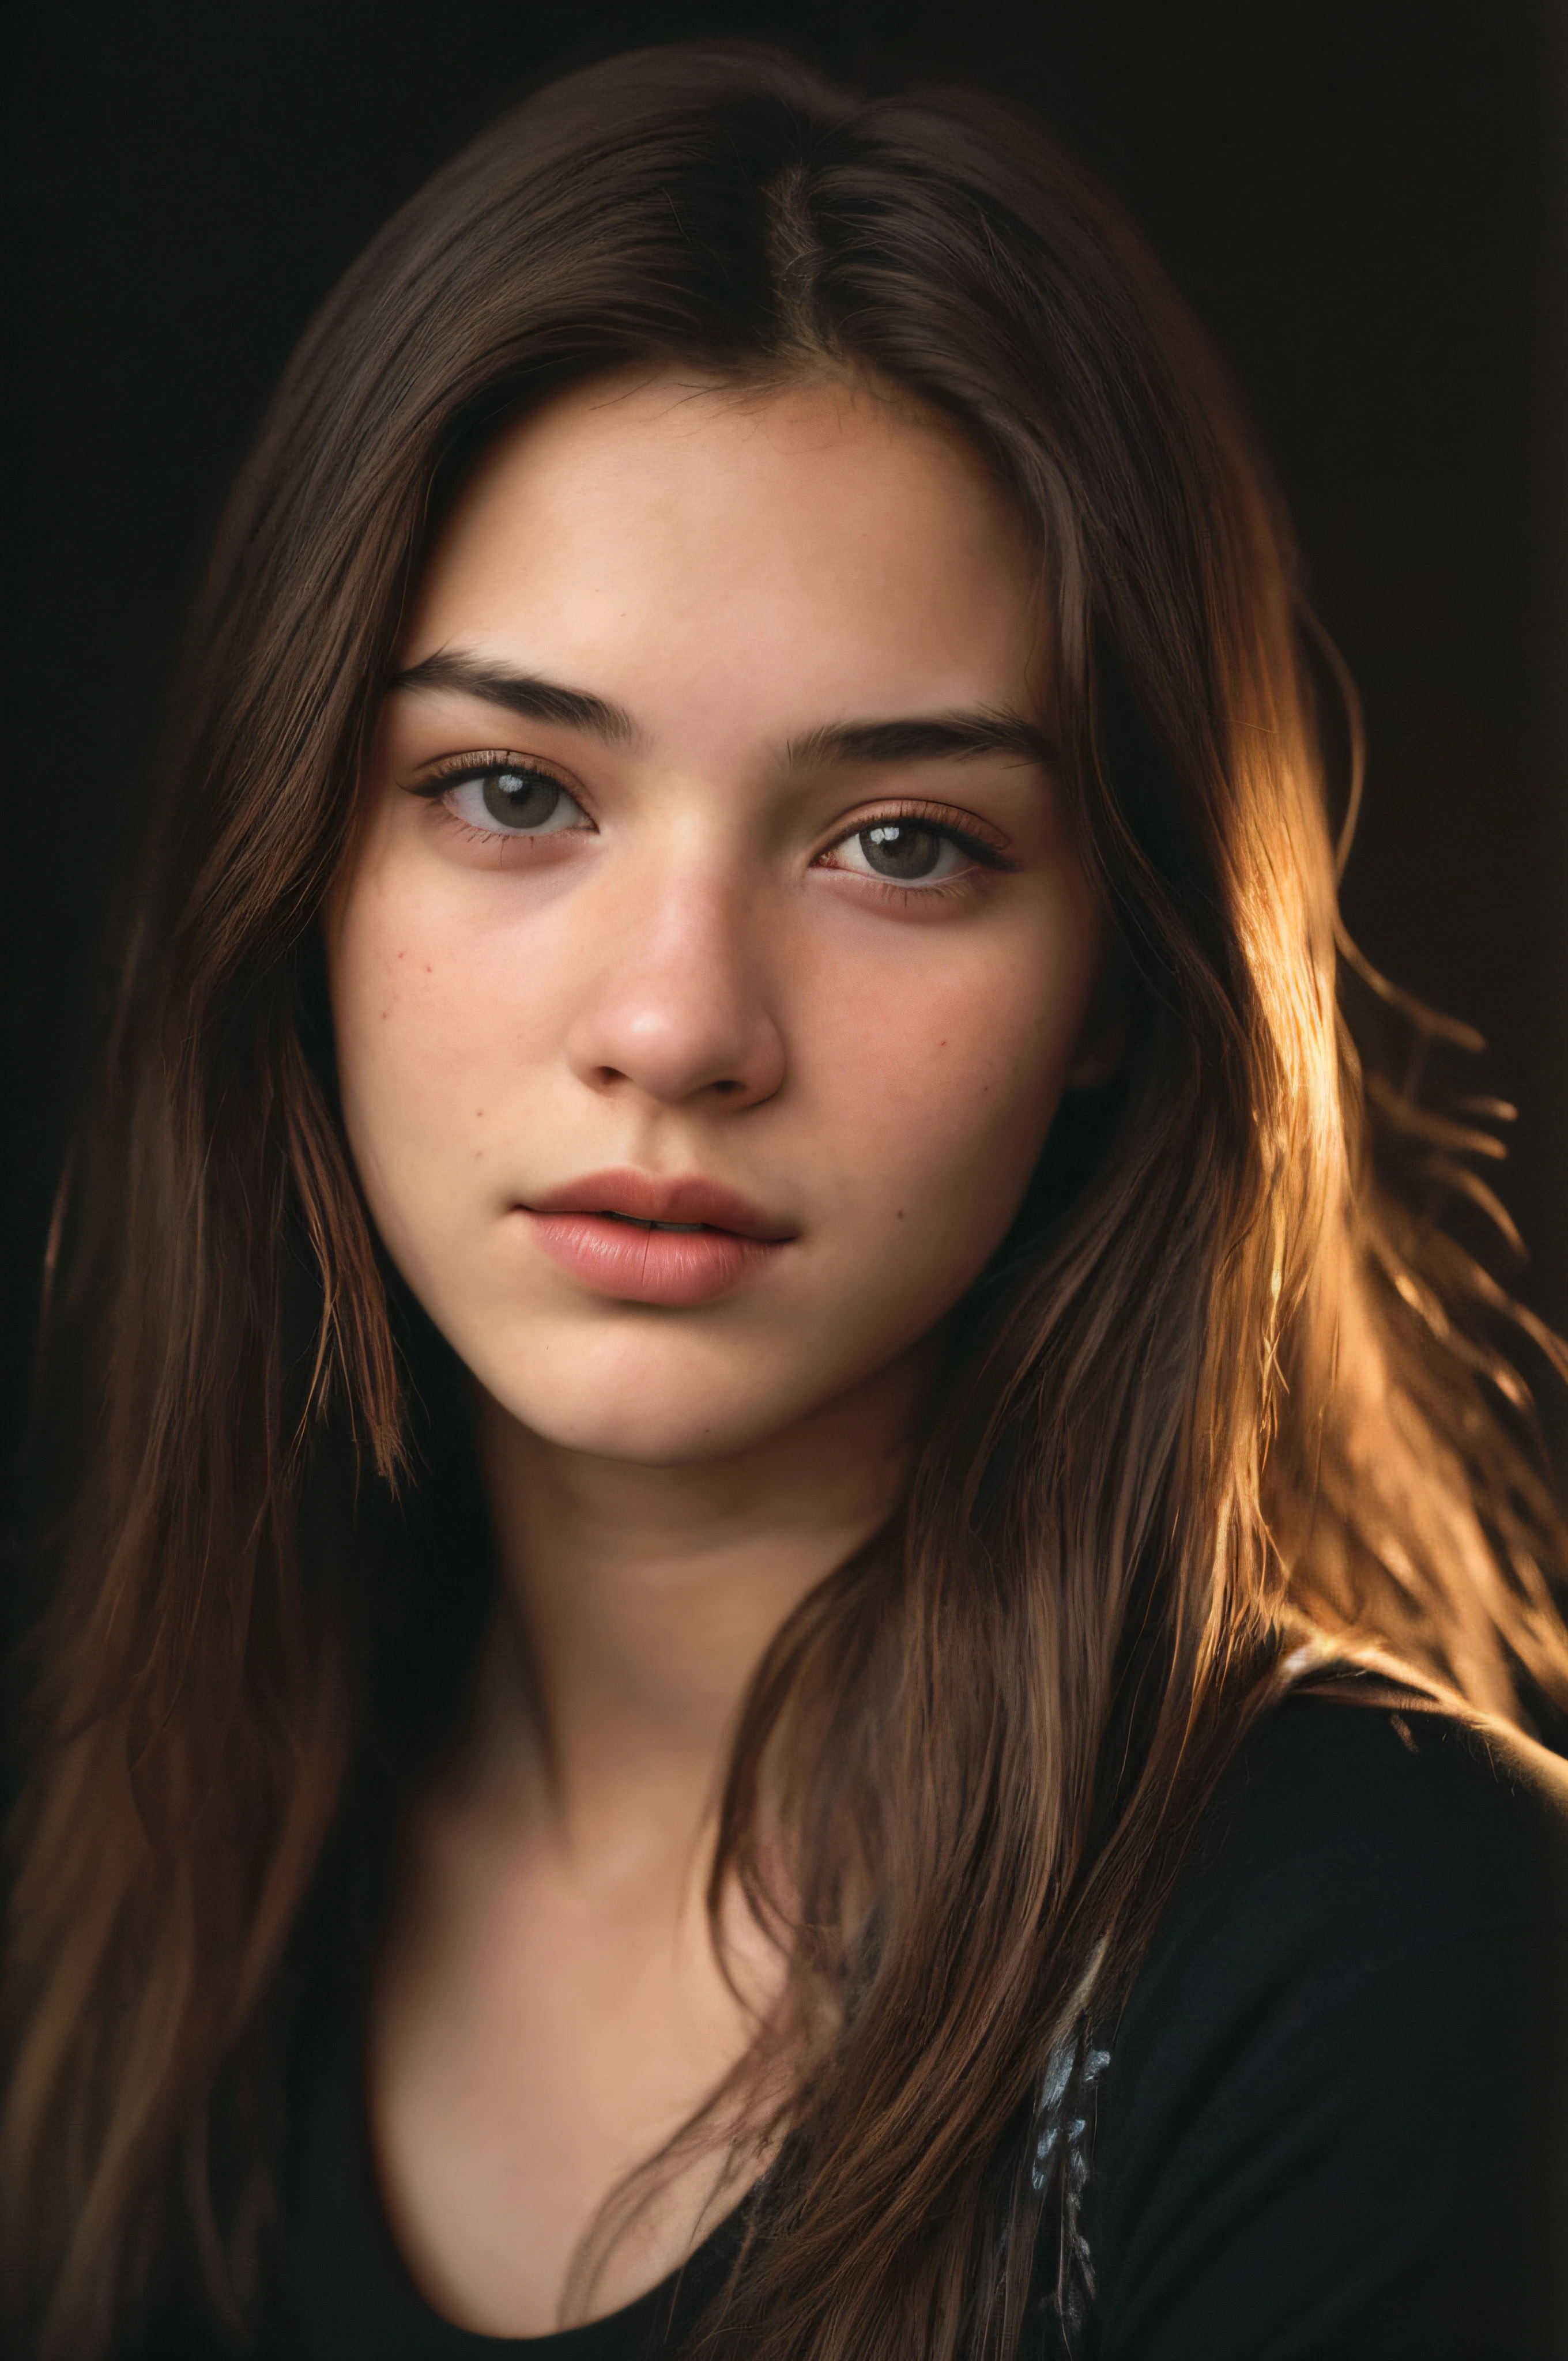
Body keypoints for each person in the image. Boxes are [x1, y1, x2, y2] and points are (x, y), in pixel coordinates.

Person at [4, 40, 1567, 2361]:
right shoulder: (117, 1858)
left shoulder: (1385, 1970)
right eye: (514, 788)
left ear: (1122, 980)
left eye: (898, 843)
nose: (675, 1023)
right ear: (291, 871)